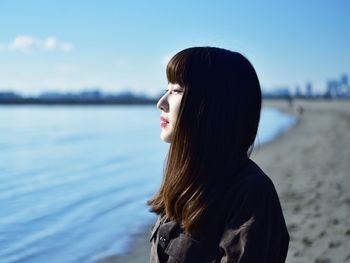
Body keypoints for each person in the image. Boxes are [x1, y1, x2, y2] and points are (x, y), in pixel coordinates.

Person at [147, 47, 289, 263]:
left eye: (176, 91)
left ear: (212, 104)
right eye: (167, 89)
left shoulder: (251, 193)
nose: (161, 103)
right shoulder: (186, 182)